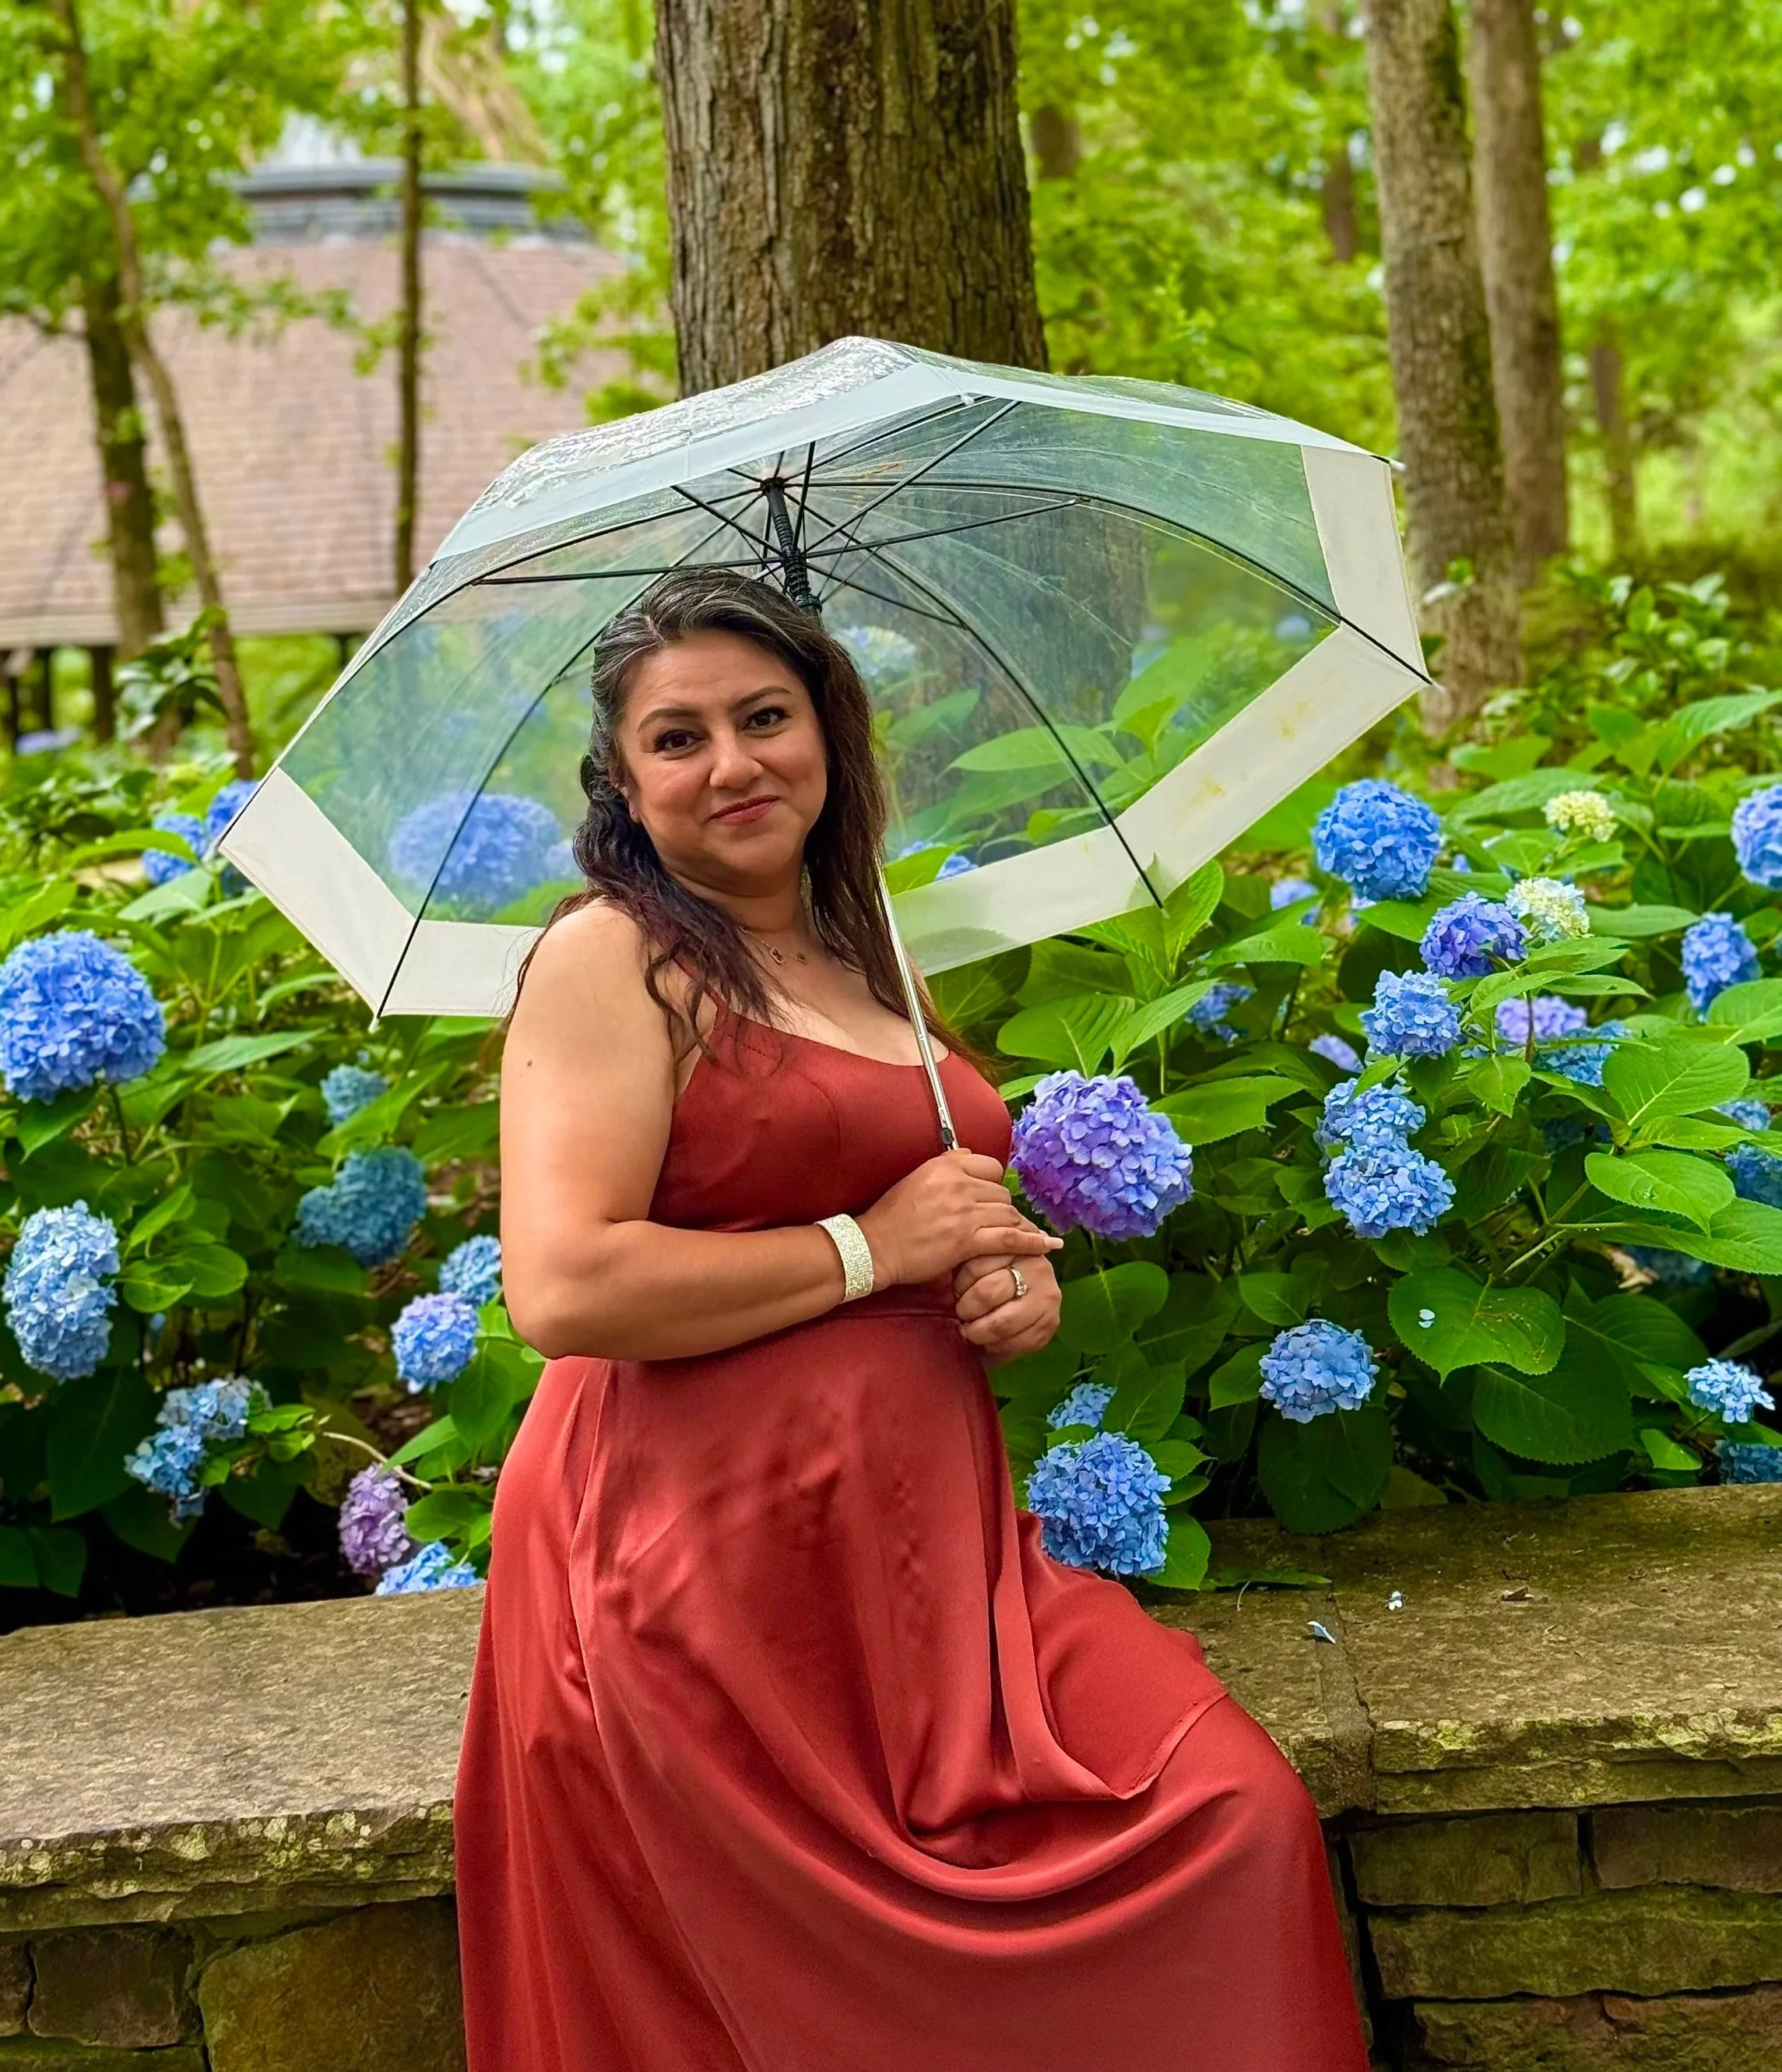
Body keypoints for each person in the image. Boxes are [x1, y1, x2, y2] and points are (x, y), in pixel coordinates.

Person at [452, 568, 1369, 2071]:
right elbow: (566, 1286)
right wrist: (869, 1250)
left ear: (832, 731)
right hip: (699, 1564)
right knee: (805, 1988)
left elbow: (926, 1209)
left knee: (1229, 1817)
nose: (734, 762)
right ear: (622, 781)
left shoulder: (862, 945)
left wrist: (999, 1273)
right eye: (677, 738)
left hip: (932, 1554)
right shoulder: (612, 957)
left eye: (766, 716)